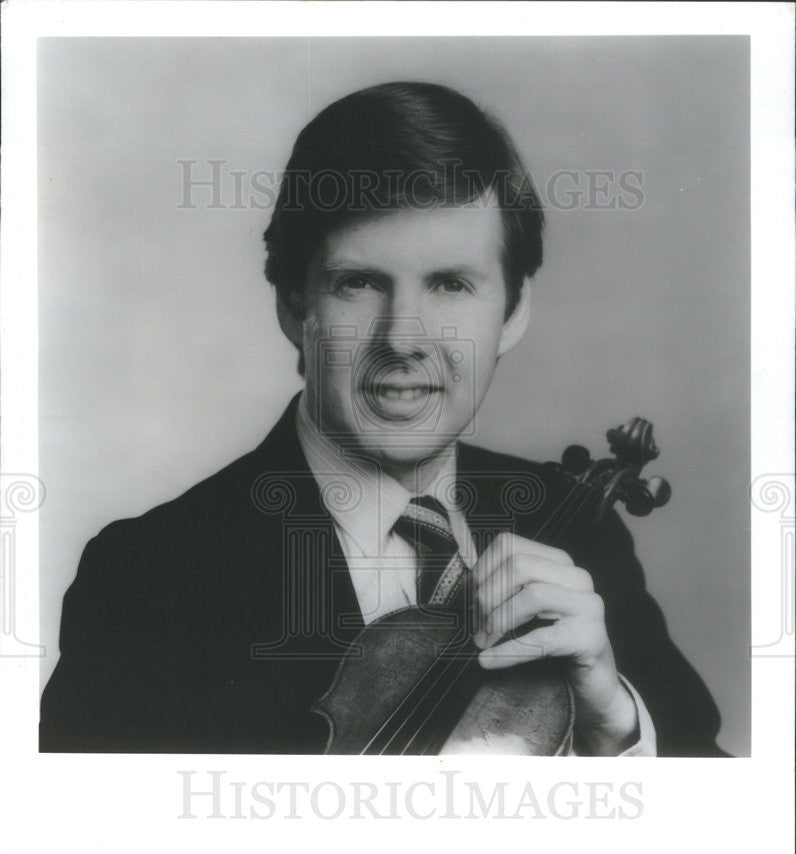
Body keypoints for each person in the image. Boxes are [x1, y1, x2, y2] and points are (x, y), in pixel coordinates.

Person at [39, 82, 725, 756]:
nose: (403, 339)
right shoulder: (147, 577)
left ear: (512, 312)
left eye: (451, 284)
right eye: (359, 283)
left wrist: (611, 724)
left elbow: (734, 833)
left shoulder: (578, 529)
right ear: (293, 305)